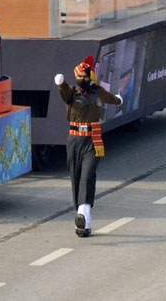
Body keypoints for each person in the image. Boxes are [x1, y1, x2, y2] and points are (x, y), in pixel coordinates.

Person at [54, 56, 123, 237]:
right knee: (76, 178)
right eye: (80, 77)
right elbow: (63, 92)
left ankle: (83, 212)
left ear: (91, 78)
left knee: (87, 175)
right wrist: (60, 83)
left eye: (86, 77)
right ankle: (84, 221)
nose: (82, 80)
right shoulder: (71, 93)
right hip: (75, 140)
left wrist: (119, 101)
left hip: (93, 140)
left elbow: (109, 98)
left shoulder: (96, 92)